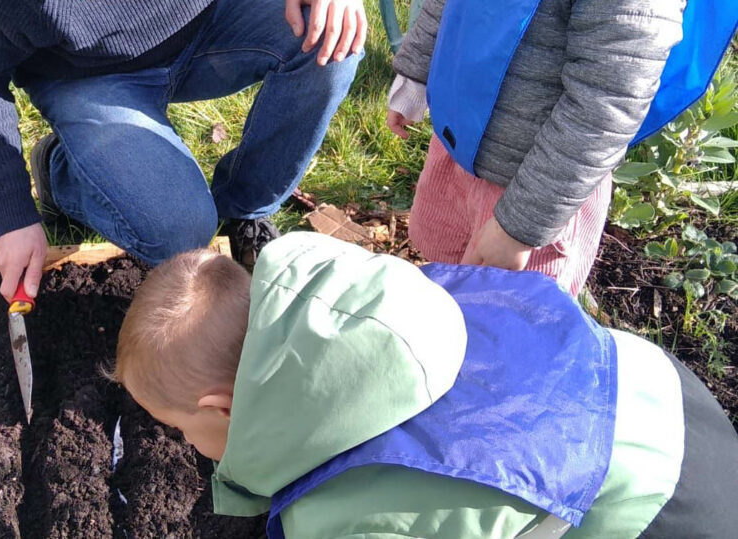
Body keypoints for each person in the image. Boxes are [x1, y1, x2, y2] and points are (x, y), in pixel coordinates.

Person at [0, 0, 399, 304]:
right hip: (85, 76)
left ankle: (246, 209)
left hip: (197, 28)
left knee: (331, 43)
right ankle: (62, 170)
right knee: (180, 234)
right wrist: (13, 216)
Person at [112, 231, 738, 539]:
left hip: (661, 517)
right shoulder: (373, 308)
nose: (184, 446)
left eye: (179, 429)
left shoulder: (340, 516)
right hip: (661, 394)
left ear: (219, 409)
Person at [385, 0, 738, 294]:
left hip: (535, 187)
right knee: (448, 277)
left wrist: (519, 227)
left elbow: (600, 112)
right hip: (461, 146)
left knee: (507, 320)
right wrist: (417, 72)